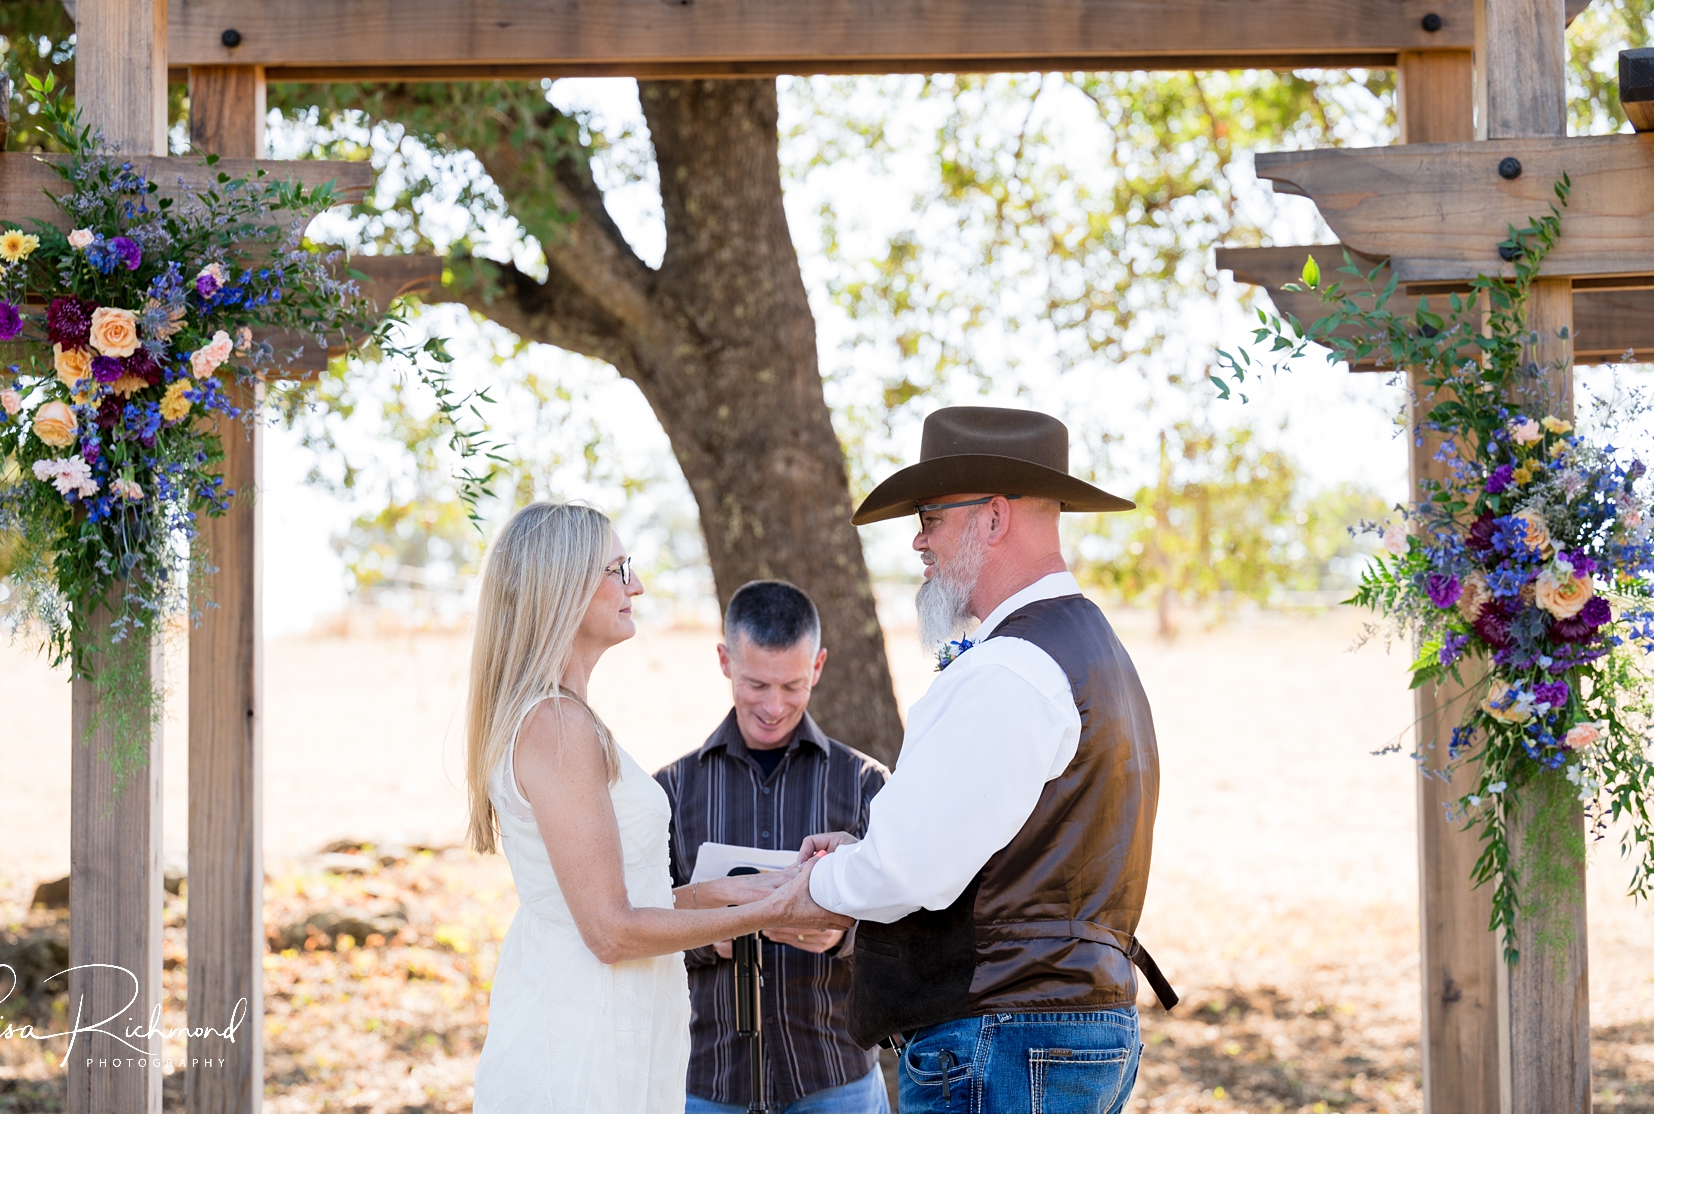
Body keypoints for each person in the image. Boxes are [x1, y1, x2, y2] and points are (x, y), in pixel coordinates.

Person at [731, 405, 1176, 1114]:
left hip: (1003, 1038)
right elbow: (992, 846)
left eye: (932, 516)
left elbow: (912, 869)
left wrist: (808, 888)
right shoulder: (1087, 647)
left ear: (993, 518)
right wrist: (865, 854)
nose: (918, 540)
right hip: (1053, 1028)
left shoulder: (1011, 666)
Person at [465, 501, 835, 1113]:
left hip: (613, 1014)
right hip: (583, 1029)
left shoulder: (563, 717)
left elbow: (620, 900)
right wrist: (771, 910)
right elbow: (611, 931)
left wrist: (739, 891)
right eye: (618, 568)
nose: (635, 584)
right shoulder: (557, 724)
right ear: (565, 587)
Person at [654, 580, 892, 1114]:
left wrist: (839, 938)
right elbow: (635, 924)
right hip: (708, 1083)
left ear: (819, 666)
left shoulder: (867, 785)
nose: (774, 706)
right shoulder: (669, 792)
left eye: (793, 686)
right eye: (756, 684)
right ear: (724, 661)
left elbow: (910, 929)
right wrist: (707, 936)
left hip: (836, 1079)